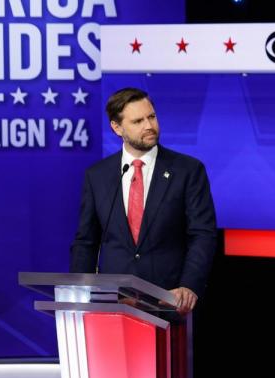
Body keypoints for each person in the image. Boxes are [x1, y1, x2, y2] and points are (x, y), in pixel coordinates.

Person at [70, 87, 216, 314]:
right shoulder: (97, 175)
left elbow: (203, 234)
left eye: (152, 117)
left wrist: (189, 286)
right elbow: (86, 242)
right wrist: (78, 295)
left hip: (169, 300)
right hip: (113, 302)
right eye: (138, 121)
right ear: (117, 128)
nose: (149, 126)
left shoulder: (188, 170)